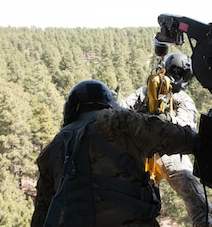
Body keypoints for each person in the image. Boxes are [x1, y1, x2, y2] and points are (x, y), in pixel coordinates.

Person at [31, 79, 200, 227]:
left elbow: (42, 212)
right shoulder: (119, 120)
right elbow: (175, 137)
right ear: (108, 104)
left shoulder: (52, 149)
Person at [121, 52, 212, 227]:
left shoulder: (145, 92)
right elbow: (188, 130)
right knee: (198, 203)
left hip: (143, 151)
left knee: (131, 202)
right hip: (169, 152)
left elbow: (121, 111)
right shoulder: (176, 97)